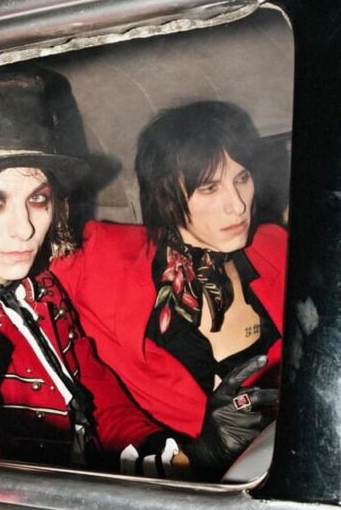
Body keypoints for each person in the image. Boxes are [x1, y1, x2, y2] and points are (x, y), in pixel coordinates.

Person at [0, 67, 177, 467]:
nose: (24, 228)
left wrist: (155, 449)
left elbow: (93, 387)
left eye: (38, 199)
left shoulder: (41, 288)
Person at [52, 100, 284, 479]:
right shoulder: (100, 258)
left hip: (275, 473)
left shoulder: (276, 248)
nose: (238, 205)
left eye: (242, 178)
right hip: (173, 485)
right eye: (209, 187)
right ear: (164, 194)